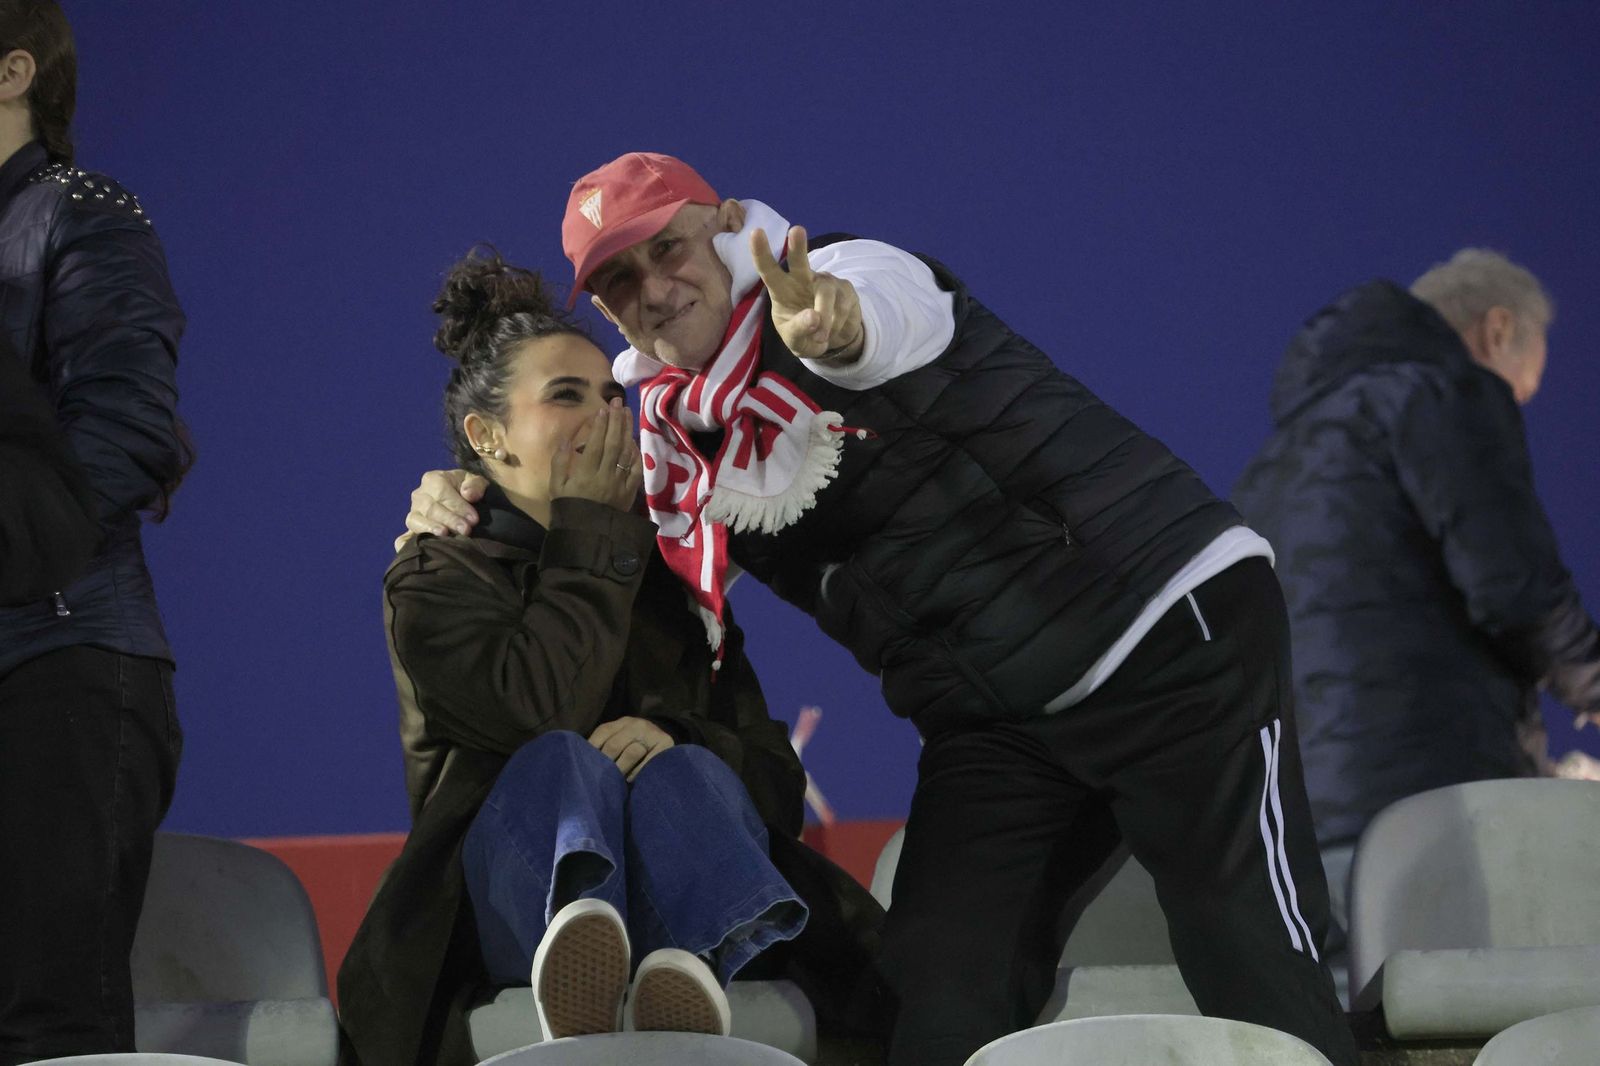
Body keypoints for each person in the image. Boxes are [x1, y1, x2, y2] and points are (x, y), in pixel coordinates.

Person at [405, 153, 1359, 1066]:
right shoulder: (665, 439)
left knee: (1252, 959)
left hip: (1161, 634)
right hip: (997, 723)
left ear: (727, 225)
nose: (653, 289)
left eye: (669, 248)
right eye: (620, 279)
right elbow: (589, 534)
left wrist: (834, 327)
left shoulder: (843, 273)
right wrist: (470, 497)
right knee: (934, 999)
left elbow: (881, 321)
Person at [340, 249, 885, 1066]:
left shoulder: (669, 579)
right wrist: (592, 533)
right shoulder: (437, 575)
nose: (602, 417)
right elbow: (536, 710)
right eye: (565, 396)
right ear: (488, 437)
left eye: (609, 395)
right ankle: (585, 945)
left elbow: (774, 778)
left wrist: (678, 740)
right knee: (564, 761)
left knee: (688, 767)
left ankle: (683, 966)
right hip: (511, 919)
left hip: (695, 905)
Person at [1233, 250, 1600, 993]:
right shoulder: (1440, 392)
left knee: (1347, 1021)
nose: (1514, 404)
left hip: (1298, 822)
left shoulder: (1272, 466)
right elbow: (1515, 589)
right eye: (1521, 388)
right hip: (1432, 816)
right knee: (1471, 1017)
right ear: (1498, 330)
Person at [0, 3, 190, 1062]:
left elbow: (122, 434)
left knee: (49, 1032)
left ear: (13, 72)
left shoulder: (82, 212)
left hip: (61, 665)